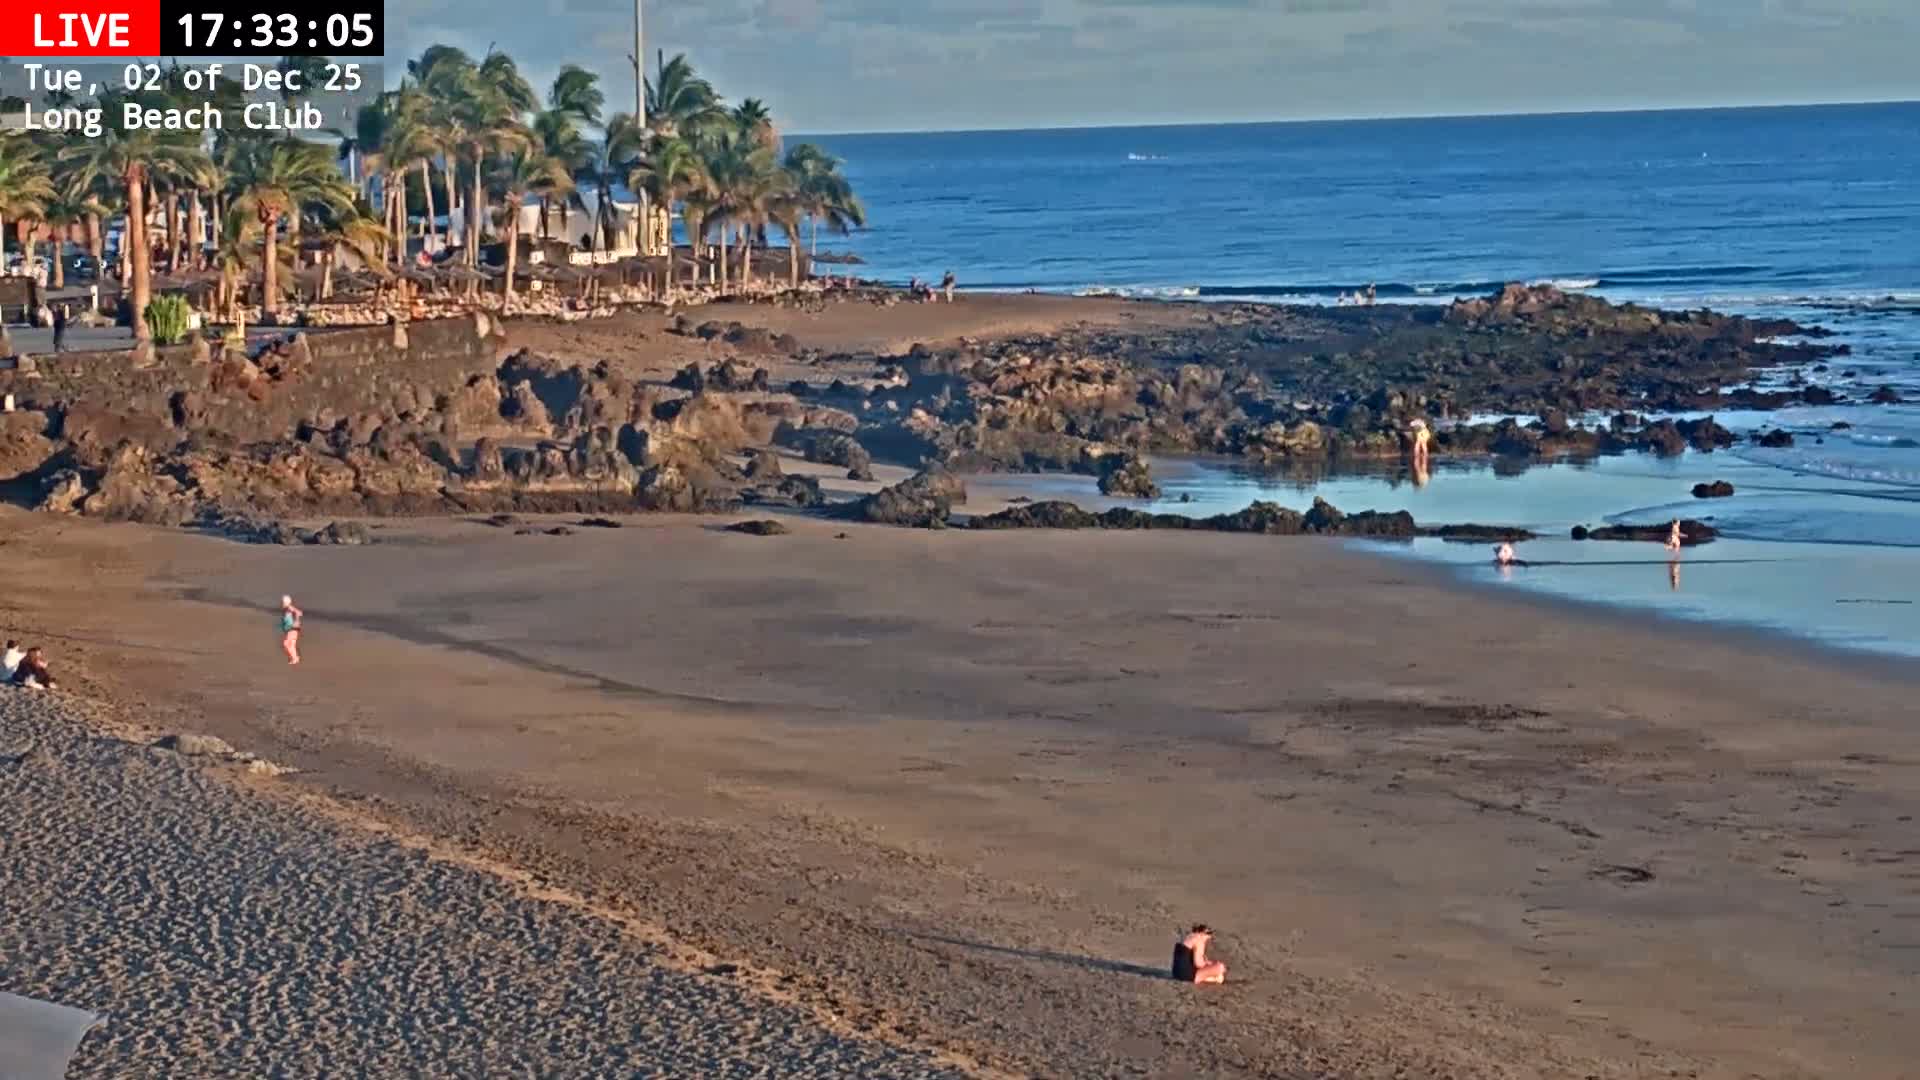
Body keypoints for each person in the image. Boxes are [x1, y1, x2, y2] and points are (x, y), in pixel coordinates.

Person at [279, 595, 303, 666]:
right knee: (288, 644)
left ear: (286, 602)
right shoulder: (287, 609)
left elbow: (297, 612)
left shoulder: (288, 607)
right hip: (292, 628)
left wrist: (297, 617)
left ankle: (295, 658)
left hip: (292, 628)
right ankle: (295, 658)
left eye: (283, 602)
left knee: (288, 644)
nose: (282, 604)